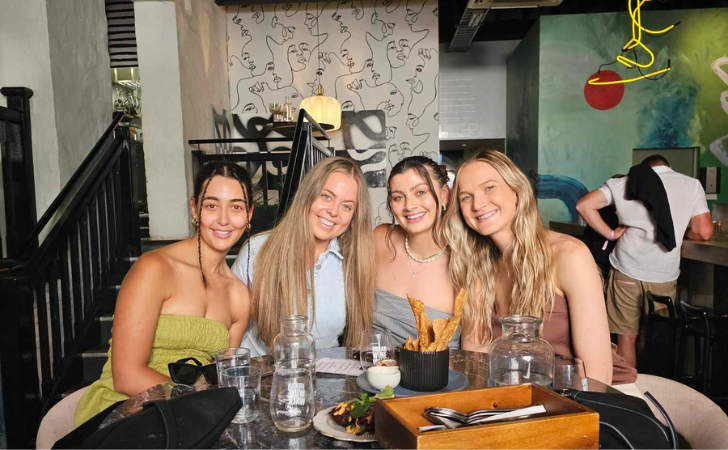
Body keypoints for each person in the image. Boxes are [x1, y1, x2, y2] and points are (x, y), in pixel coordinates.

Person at [75, 162, 254, 426]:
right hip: (123, 410)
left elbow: (221, 377)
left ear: (249, 214)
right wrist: (198, 403)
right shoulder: (154, 269)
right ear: (195, 209)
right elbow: (126, 375)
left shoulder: (239, 295)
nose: (224, 219)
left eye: (236, 207)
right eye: (212, 205)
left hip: (190, 417)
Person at [443, 150, 627, 386]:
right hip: (523, 395)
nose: (478, 204)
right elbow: (477, 360)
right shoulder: (479, 265)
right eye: (466, 197)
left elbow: (597, 376)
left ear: (517, 193)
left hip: (596, 396)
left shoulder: (569, 255)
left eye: (489, 188)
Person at [576, 154, 712, 368]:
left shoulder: (624, 183)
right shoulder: (691, 184)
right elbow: (703, 232)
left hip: (626, 270)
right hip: (663, 275)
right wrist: (680, 234)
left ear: (642, 169)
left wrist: (611, 234)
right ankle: (653, 385)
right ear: (670, 167)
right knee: (652, 334)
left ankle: (630, 392)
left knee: (625, 337)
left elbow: (584, 206)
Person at [232, 157, 375, 356]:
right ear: (308, 195)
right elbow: (227, 328)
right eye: (326, 196)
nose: (333, 211)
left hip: (327, 378)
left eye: (346, 206)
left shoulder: (354, 262)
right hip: (263, 376)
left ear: (354, 217)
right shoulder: (257, 250)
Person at [373, 156, 460, 348]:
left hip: (442, 376)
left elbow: (474, 348)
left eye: (420, 192)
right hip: (373, 373)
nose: (409, 206)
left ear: (444, 194)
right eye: (398, 197)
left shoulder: (465, 259)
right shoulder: (380, 239)